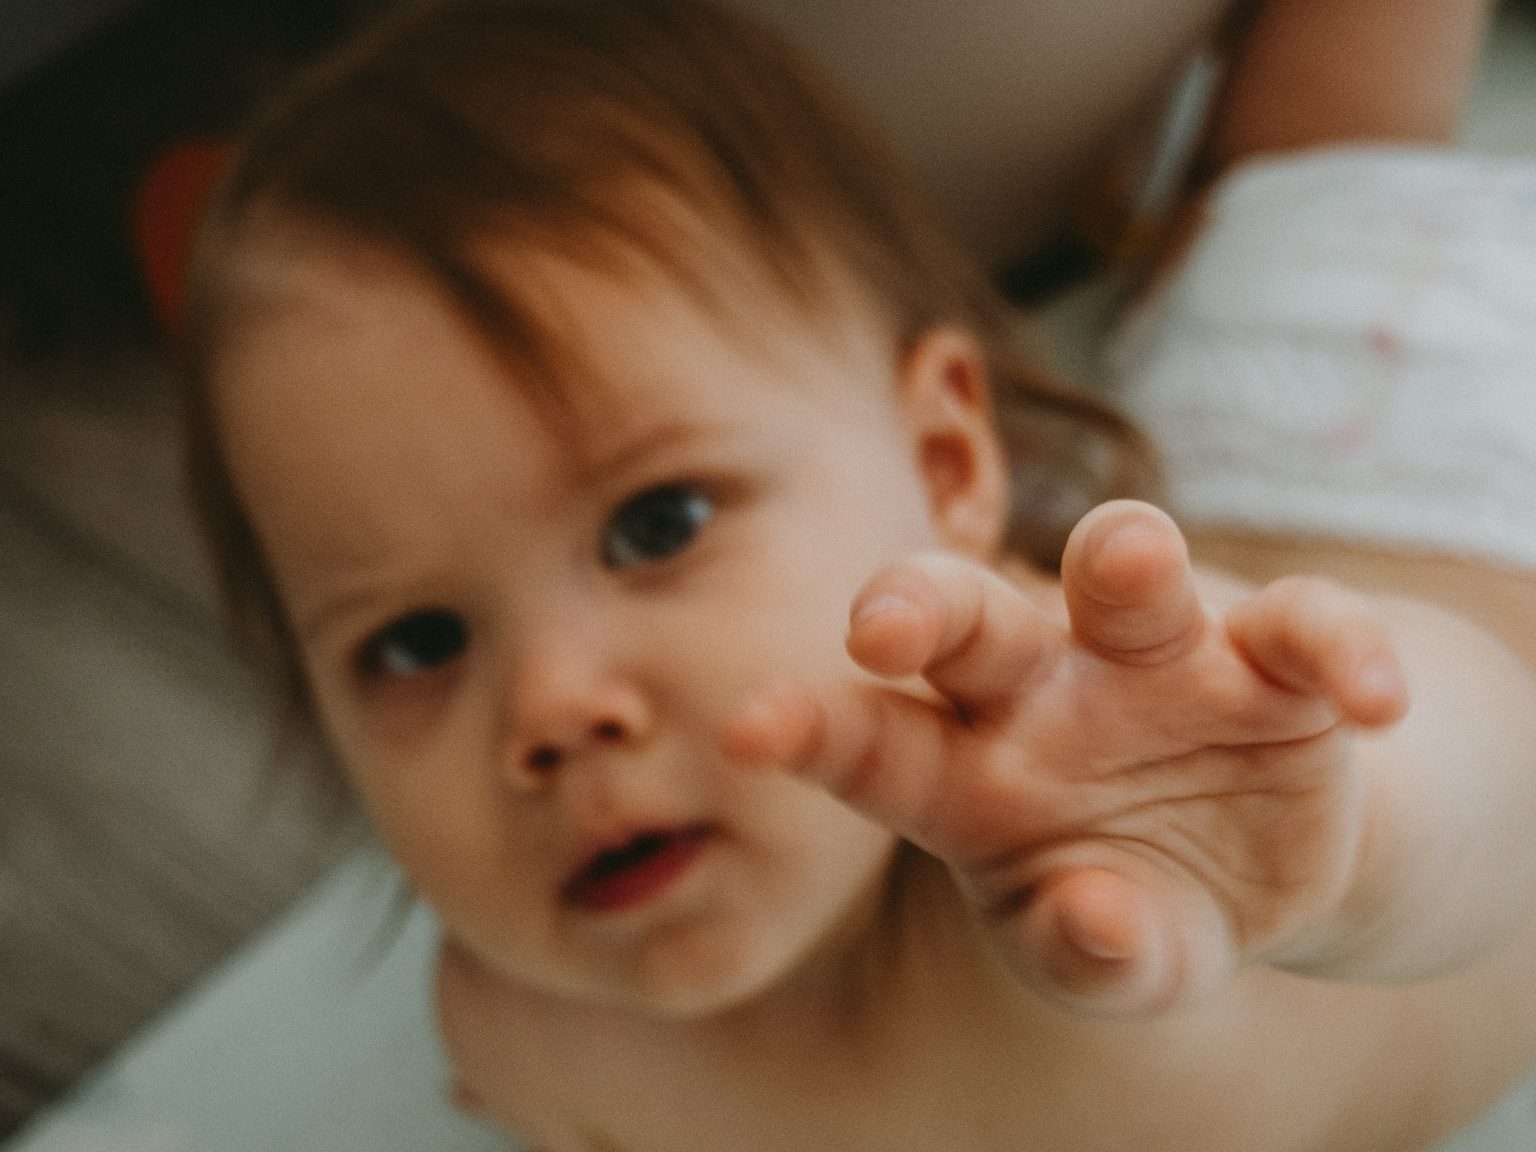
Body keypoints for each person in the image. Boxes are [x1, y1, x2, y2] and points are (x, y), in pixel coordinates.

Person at [177, 1, 1536, 1149]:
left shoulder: (1125, 783)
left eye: (657, 526)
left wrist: (1347, 834)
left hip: (1444, 452)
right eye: (416, 642)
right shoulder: (523, 1033)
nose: (551, 710)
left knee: (1325, 174)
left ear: (945, 463)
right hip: (1194, 457)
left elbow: (1492, 776)